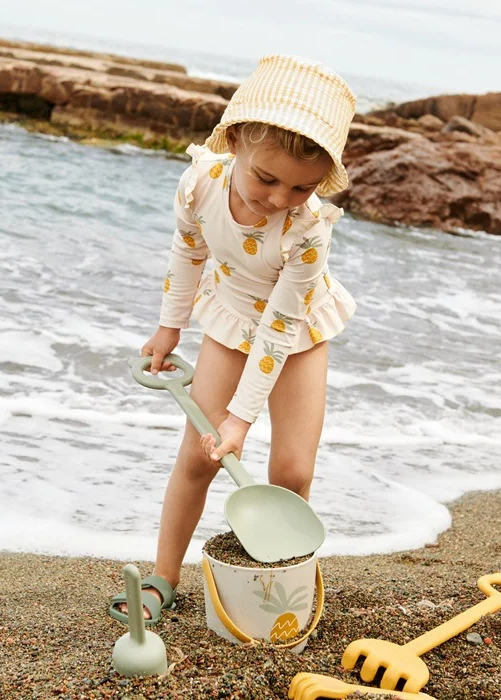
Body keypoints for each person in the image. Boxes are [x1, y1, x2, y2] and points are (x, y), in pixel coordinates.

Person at [109, 53, 357, 625]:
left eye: (302, 186)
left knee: (292, 470)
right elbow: (188, 250)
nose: (278, 199)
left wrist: (242, 417)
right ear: (238, 139)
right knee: (200, 457)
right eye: (266, 178)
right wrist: (170, 325)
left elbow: (280, 325)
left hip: (294, 332)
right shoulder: (200, 182)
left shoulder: (309, 229)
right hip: (228, 317)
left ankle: (282, 577)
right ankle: (163, 577)